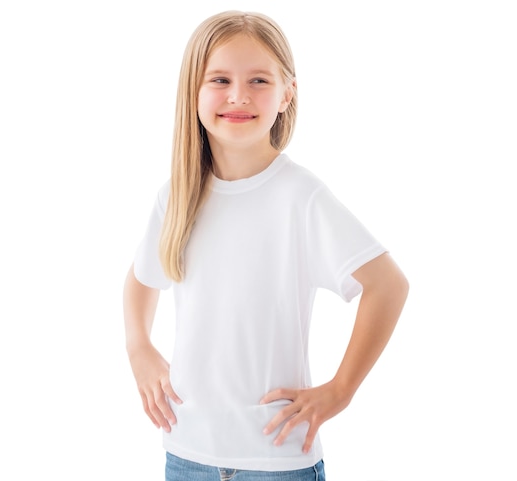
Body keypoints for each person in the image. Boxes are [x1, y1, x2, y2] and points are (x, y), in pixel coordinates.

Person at [123, 10, 409, 481]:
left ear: (286, 93)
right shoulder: (176, 196)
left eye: (259, 80)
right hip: (187, 453)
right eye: (219, 79)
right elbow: (140, 281)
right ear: (192, 91)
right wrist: (139, 348)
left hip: (277, 461)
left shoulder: (300, 197)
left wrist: (339, 391)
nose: (238, 95)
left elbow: (387, 286)